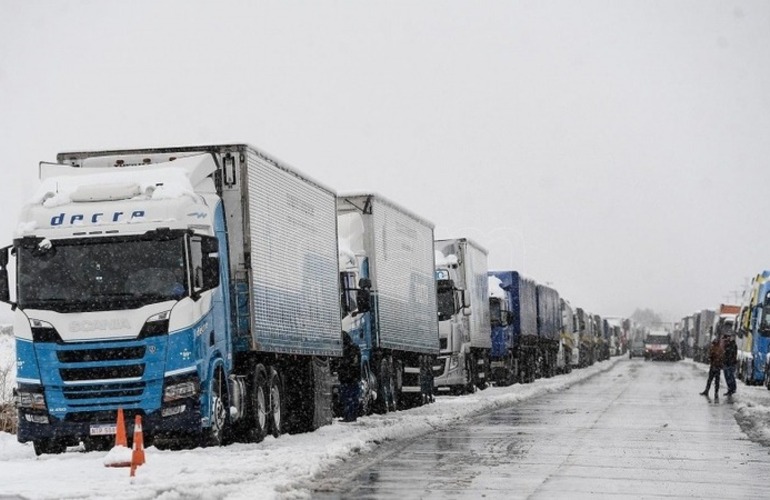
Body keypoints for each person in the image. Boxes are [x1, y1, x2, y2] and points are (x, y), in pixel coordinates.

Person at [338, 332, 361, 422]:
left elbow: (349, 363)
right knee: (352, 398)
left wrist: (344, 370)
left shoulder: (346, 349)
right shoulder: (355, 348)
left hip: (347, 378)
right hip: (353, 377)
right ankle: (351, 416)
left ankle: (349, 416)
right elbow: (355, 363)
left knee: (348, 397)